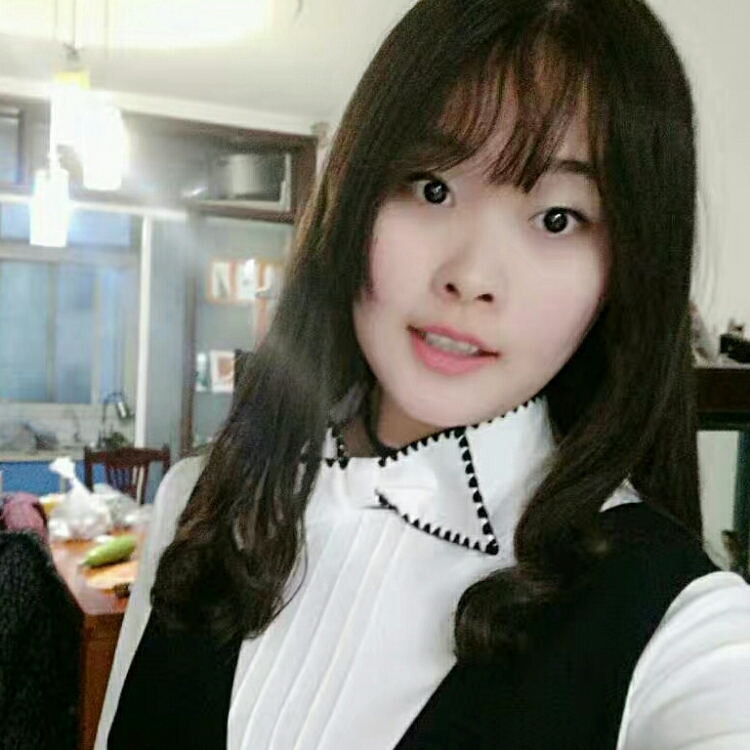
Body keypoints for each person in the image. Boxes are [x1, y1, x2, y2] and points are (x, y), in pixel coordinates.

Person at [96, 1, 750, 748]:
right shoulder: (202, 498)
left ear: (625, 269)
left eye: (558, 219)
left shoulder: (677, 621)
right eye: (432, 187)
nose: (472, 276)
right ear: (353, 197)